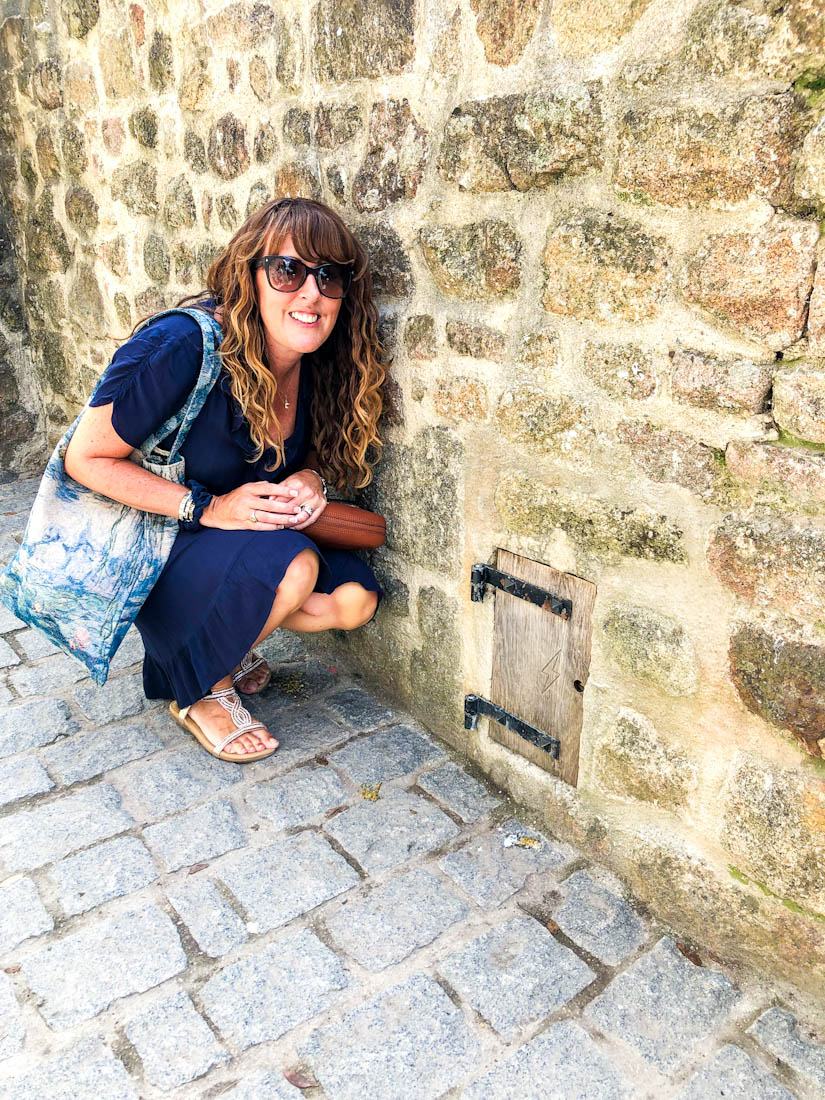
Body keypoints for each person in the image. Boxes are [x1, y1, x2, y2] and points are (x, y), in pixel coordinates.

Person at [64, 198, 384, 762]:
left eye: (327, 277)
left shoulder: (314, 362)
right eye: (288, 271)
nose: (310, 293)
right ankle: (198, 686)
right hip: (162, 540)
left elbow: (298, 459)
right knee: (296, 566)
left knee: (353, 600)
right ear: (250, 274)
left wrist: (309, 477)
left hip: (231, 540)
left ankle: (223, 642)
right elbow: (85, 459)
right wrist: (207, 509)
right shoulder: (184, 345)